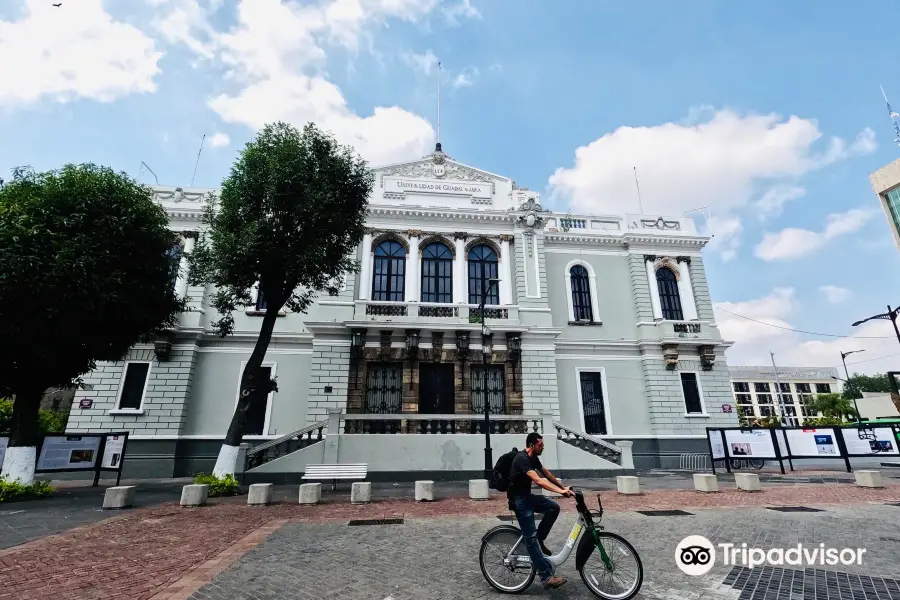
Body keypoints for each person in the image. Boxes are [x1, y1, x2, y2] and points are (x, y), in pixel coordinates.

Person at [507, 432, 572, 590]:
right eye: (540, 445)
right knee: (530, 538)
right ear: (531, 446)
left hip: (527, 497)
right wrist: (559, 492)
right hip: (519, 502)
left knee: (553, 507)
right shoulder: (522, 459)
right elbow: (538, 480)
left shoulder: (533, 457)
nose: (543, 447)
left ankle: (540, 539)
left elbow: (546, 474)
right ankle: (546, 576)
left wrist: (563, 487)